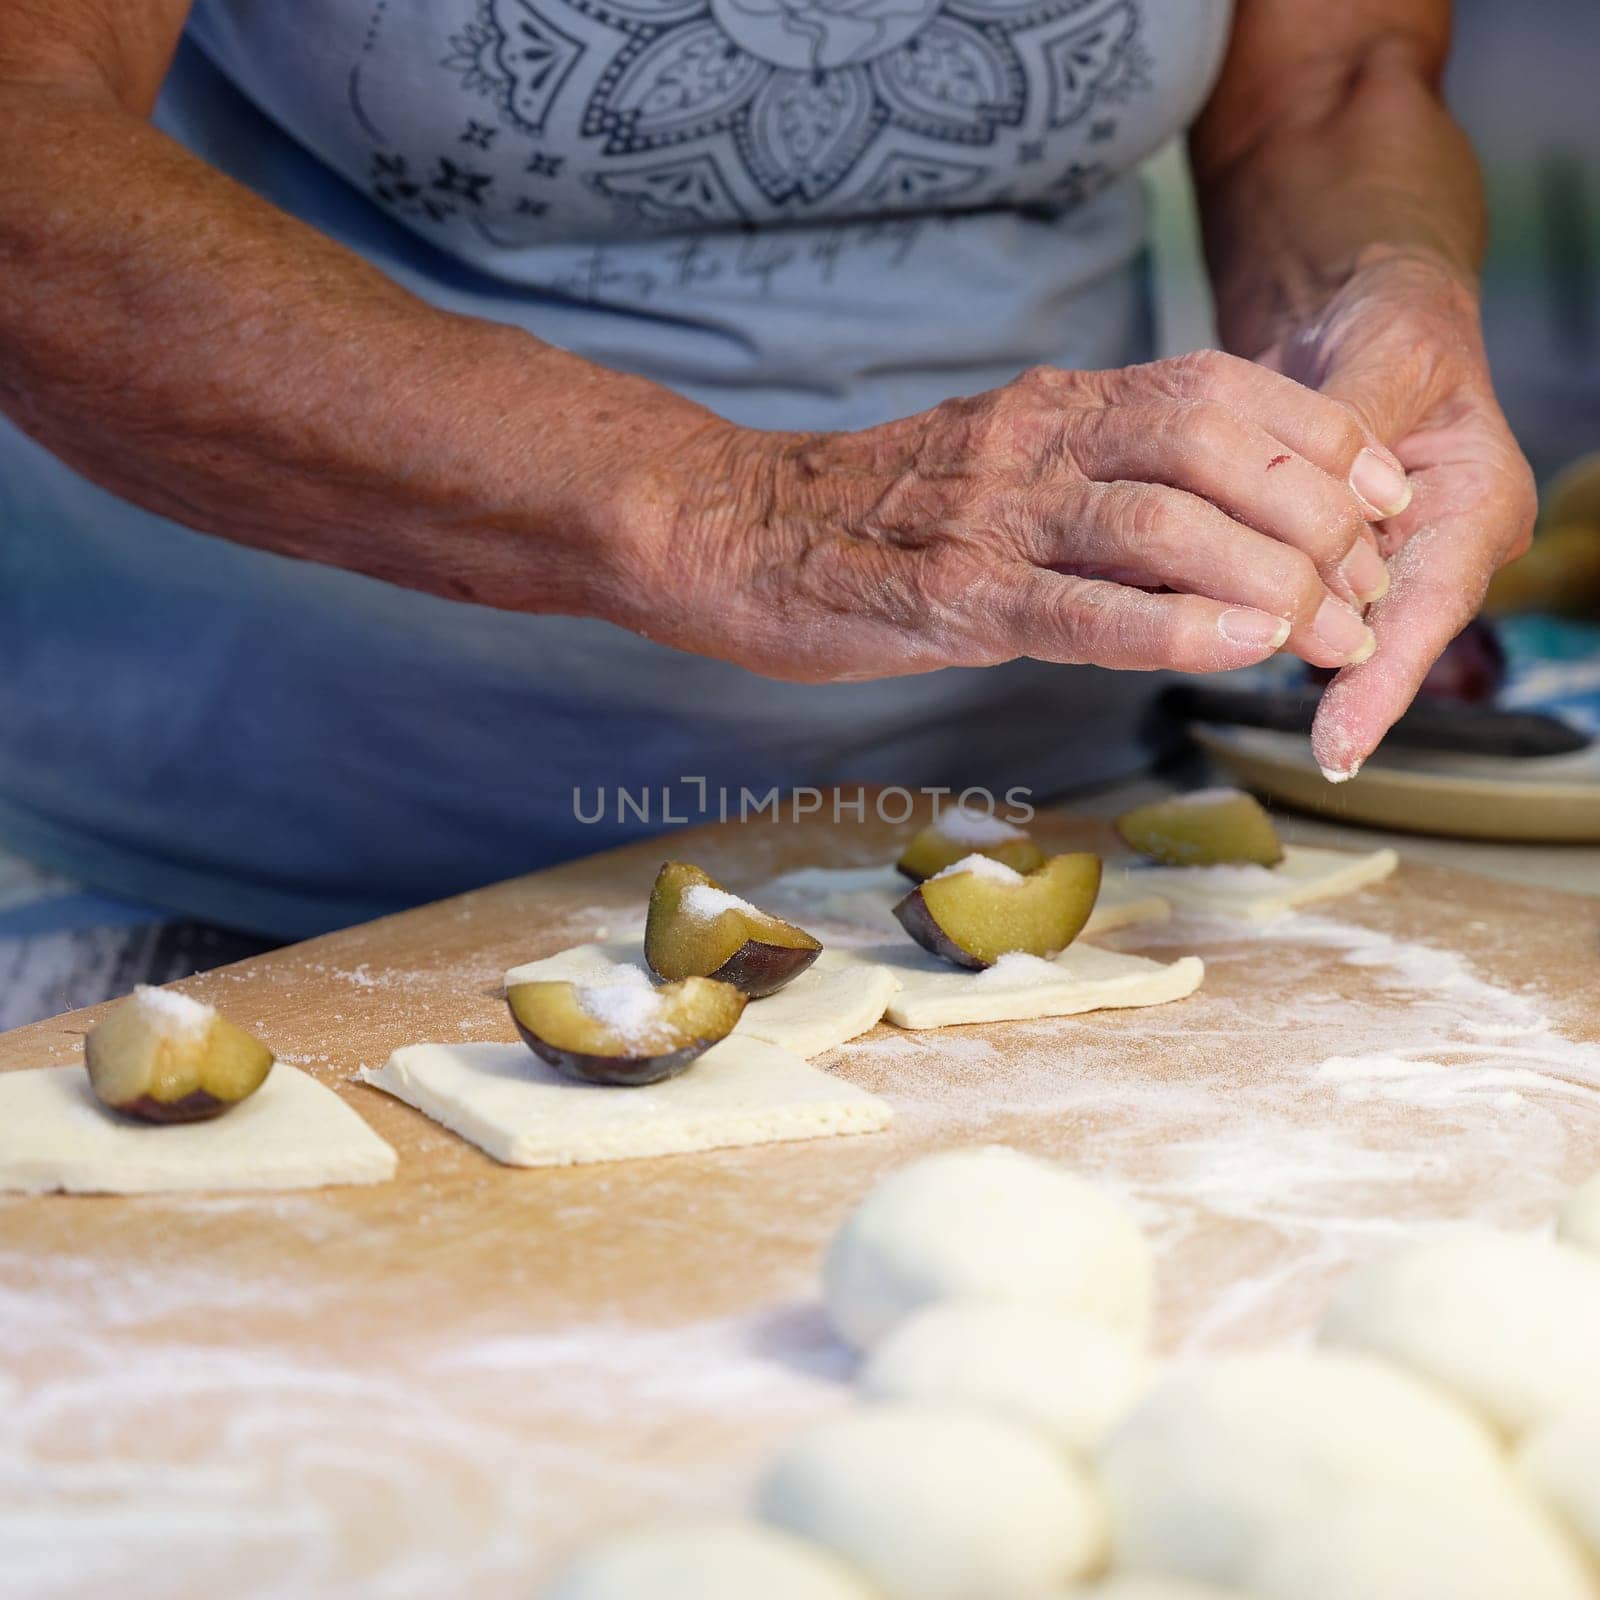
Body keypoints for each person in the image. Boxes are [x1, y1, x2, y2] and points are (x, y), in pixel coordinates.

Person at [0, 0, 1534, 1013]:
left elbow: (1329, 83)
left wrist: (1379, 298)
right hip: (253, 878)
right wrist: (730, 517)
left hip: (1046, 845)